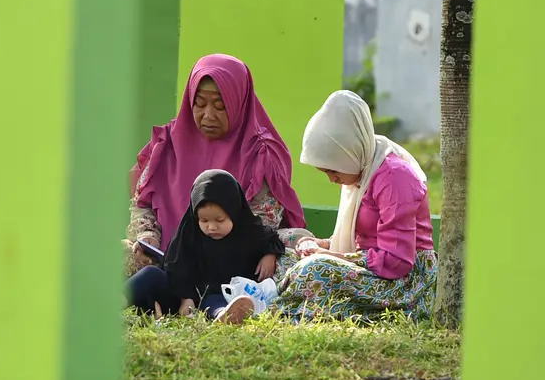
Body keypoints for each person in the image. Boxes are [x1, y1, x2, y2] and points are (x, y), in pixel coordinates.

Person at [254, 90, 437, 323]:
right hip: (370, 266)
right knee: (285, 258)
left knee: (316, 269)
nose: (332, 179)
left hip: (404, 282)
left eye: (333, 170)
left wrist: (331, 255)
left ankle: (264, 305)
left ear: (350, 152)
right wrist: (323, 244)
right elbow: (360, 238)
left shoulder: (395, 178)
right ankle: (266, 299)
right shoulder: (360, 172)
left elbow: (397, 262)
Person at [123, 54, 312, 276]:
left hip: (233, 256)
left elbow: (263, 221)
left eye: (221, 106)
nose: (208, 115)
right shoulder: (167, 143)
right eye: (200, 104)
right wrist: (147, 237)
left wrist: (215, 245)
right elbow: (142, 202)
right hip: (167, 257)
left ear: (239, 103)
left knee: (298, 244)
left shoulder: (260, 152)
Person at [126, 169, 285, 323]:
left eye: (220, 220)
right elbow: (177, 267)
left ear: (235, 211)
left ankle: (225, 316)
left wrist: (269, 255)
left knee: (217, 299)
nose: (211, 227)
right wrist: (186, 298)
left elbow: (271, 238)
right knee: (150, 274)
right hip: (183, 295)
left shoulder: (249, 230)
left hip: (220, 293)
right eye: (204, 221)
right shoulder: (189, 233)